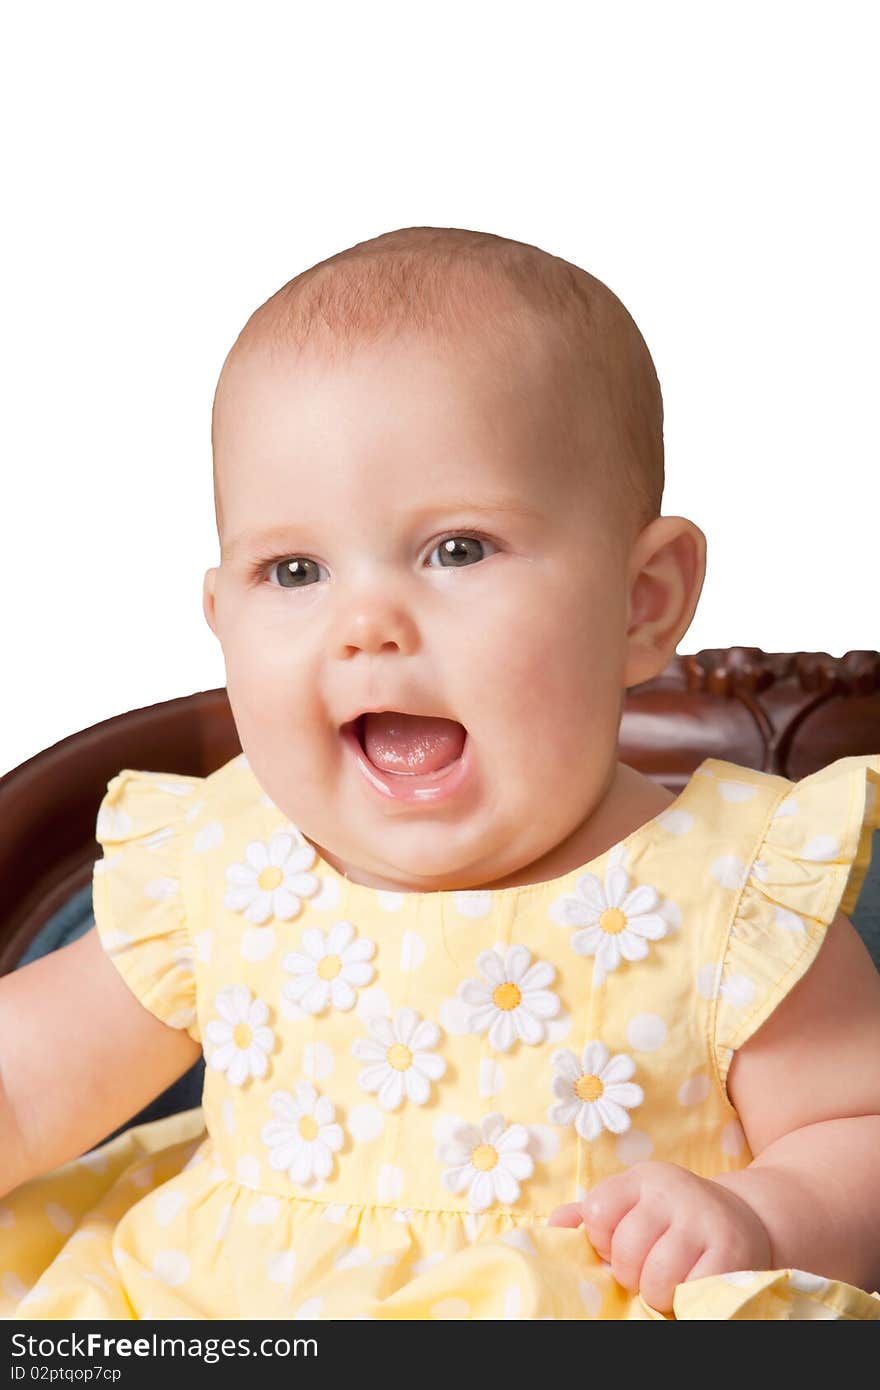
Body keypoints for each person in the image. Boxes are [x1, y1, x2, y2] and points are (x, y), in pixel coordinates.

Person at [1, 226, 879, 1321]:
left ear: (641, 600)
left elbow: (858, 1134)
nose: (367, 624)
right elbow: (23, 1082)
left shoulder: (729, 894)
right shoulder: (222, 867)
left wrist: (764, 1212)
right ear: (220, 617)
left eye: (456, 549)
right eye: (294, 569)